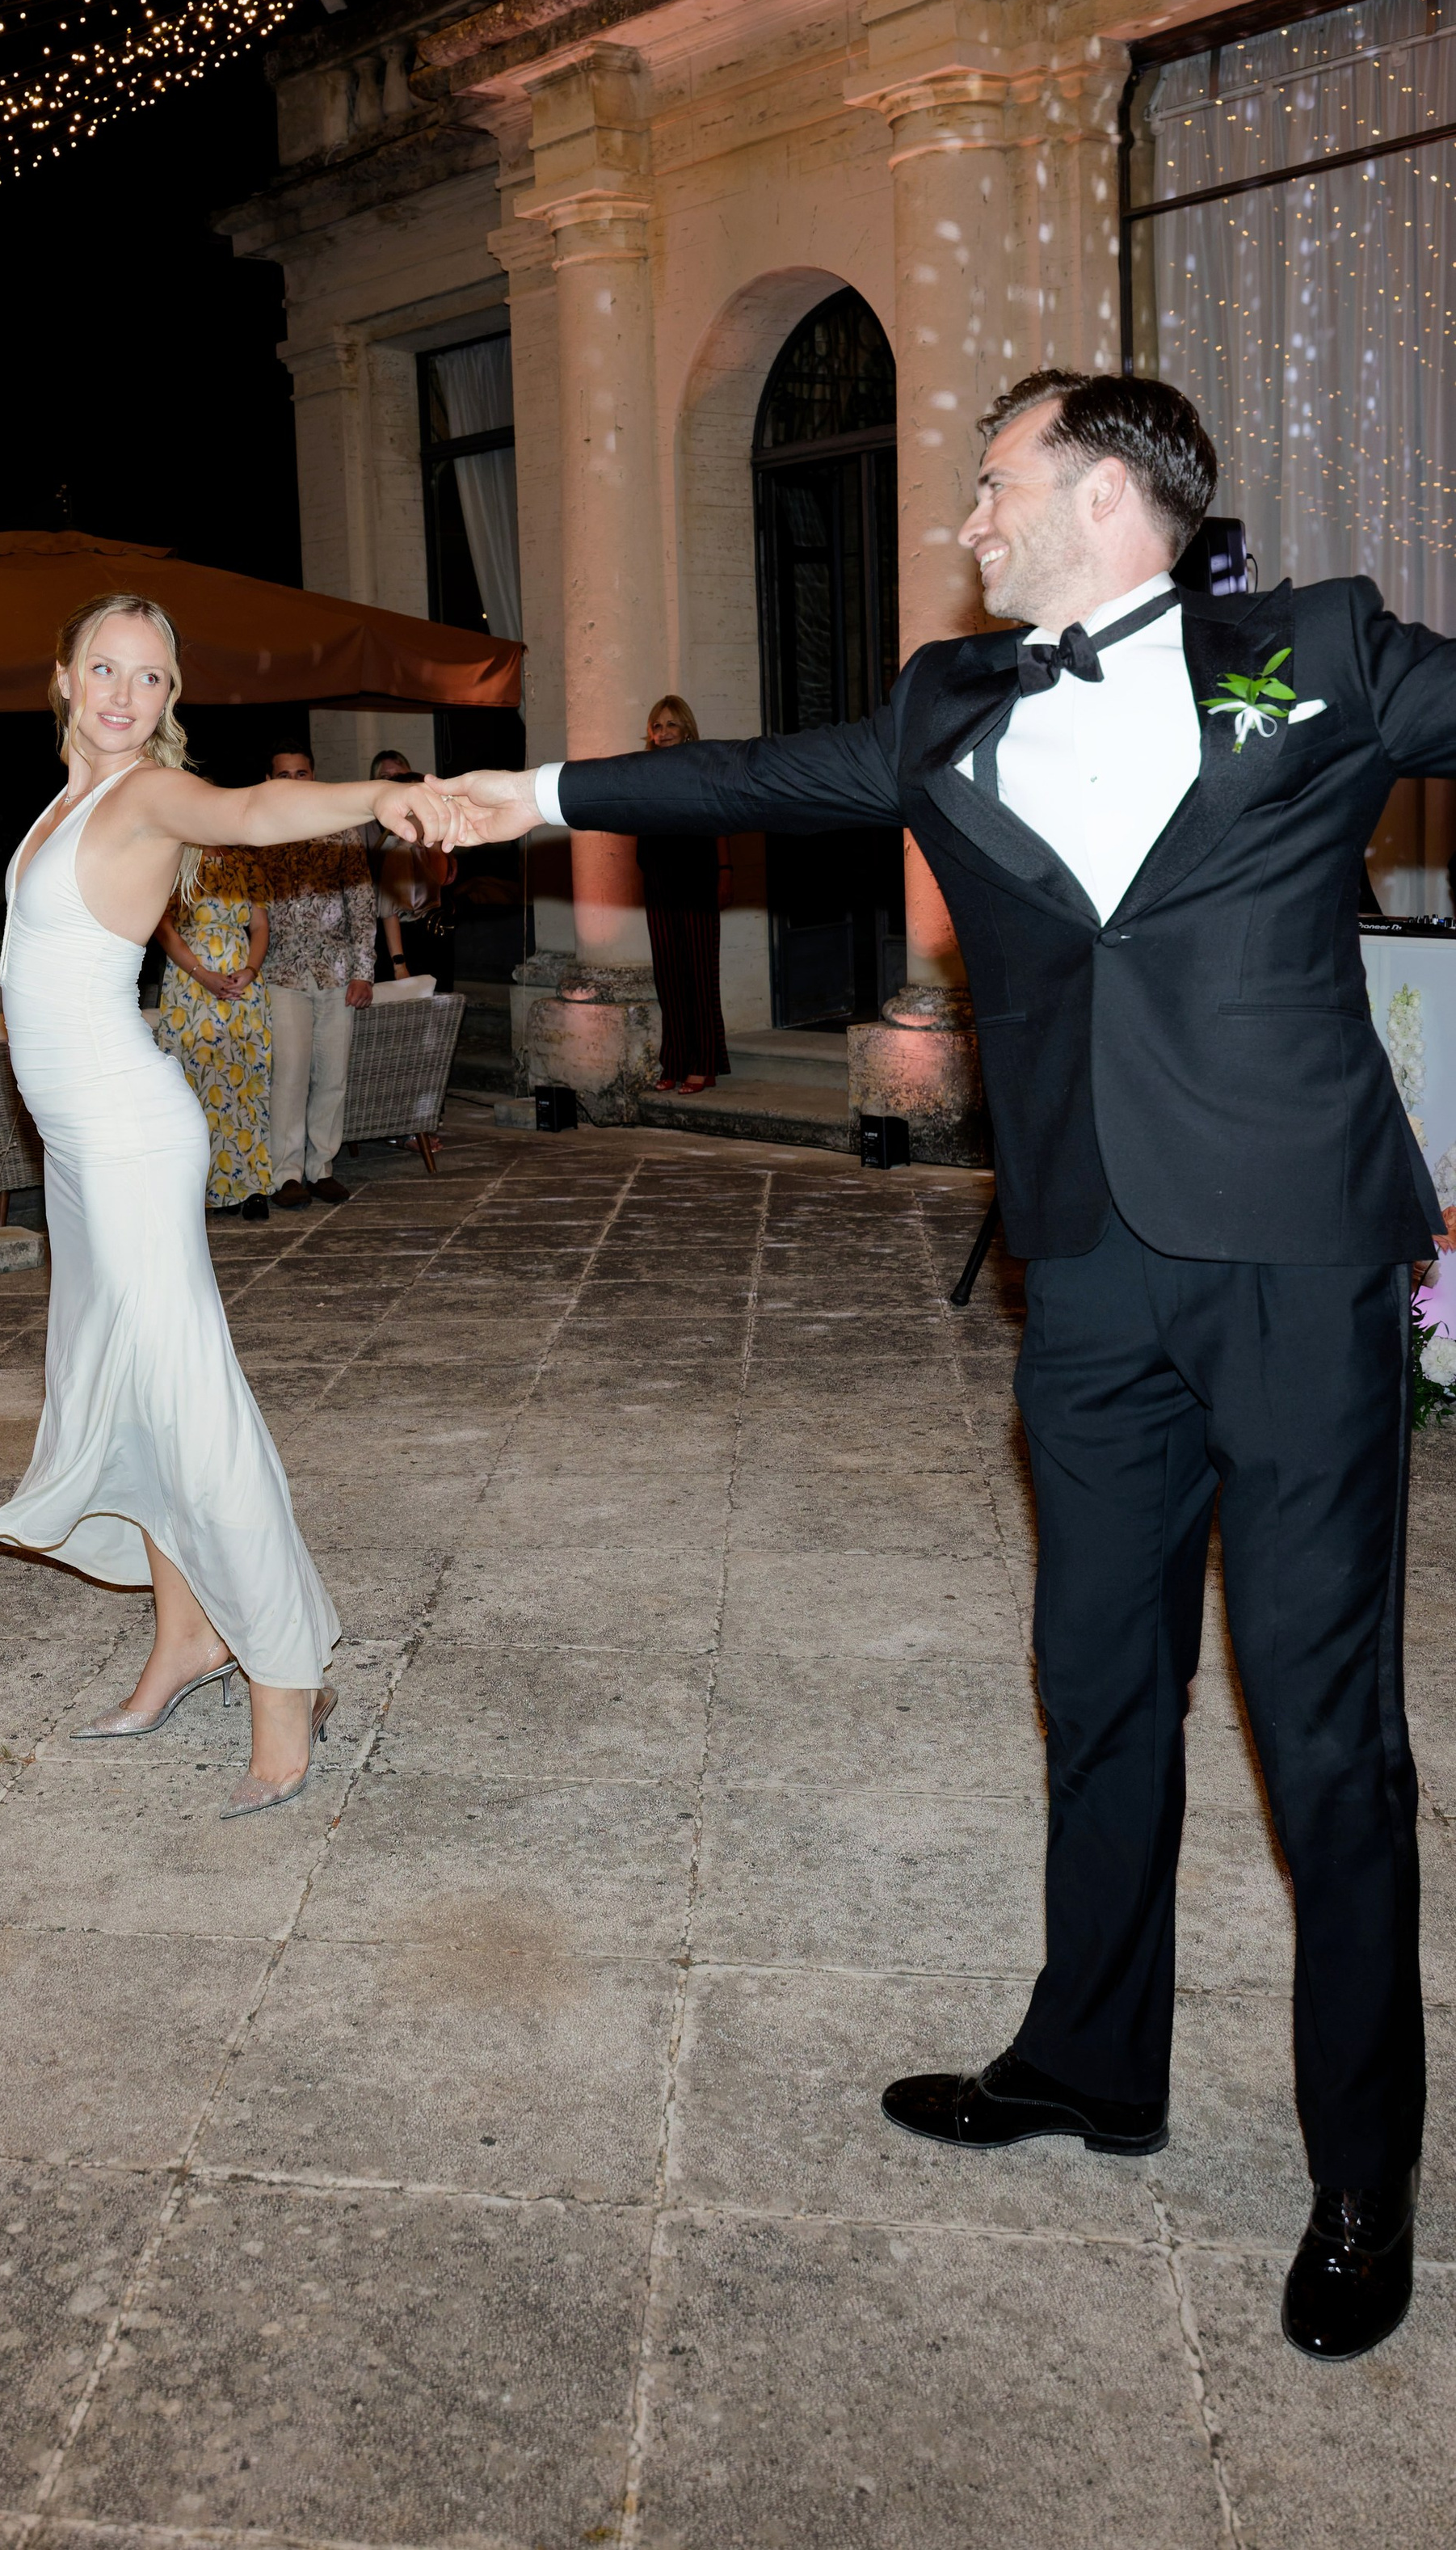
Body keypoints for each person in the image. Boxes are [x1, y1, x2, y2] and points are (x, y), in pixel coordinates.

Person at [444, 369, 1455, 2363]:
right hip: (1078, 1270)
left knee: (1320, 1727)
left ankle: (1363, 2167)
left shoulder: (1315, 651)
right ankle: (1088, 2059)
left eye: (991, 484)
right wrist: (537, 793)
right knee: (1096, 1681)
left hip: (1287, 1262)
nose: (965, 520)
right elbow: (750, 774)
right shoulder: (944, 707)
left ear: (1100, 491)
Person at [0, 593, 457, 1816]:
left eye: (151, 677)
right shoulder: (66, 803)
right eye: (107, 668)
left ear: (171, 700)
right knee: (129, 1394)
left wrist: (373, 796)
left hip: (132, 1140)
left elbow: (249, 811)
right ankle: (185, 1638)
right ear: (65, 678)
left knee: (193, 1406)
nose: (126, 694)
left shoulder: (144, 794)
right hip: (79, 1152)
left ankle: (286, 1678)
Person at [260, 744, 378, 1209]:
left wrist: (364, 972)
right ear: (270, 780)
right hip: (280, 974)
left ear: (314, 775)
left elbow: (364, 906)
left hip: (336, 974)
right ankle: (286, 1174)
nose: (294, 781)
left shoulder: (341, 827)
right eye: (284, 774)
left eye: (302, 773)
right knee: (288, 1075)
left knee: (332, 1076)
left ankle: (321, 1167)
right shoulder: (257, 831)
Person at [155, 851, 276, 1223]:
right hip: (191, 988)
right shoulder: (175, 861)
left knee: (248, 1085)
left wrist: (251, 970)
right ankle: (198, 1191)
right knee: (196, 1085)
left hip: (242, 991)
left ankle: (253, 1187)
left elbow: (259, 926)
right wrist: (203, 974)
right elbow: (163, 926)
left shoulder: (244, 864)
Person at [638, 695, 730, 1092]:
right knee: (669, 976)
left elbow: (722, 822)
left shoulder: (703, 768)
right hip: (658, 878)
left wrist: (726, 872)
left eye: (671, 725)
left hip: (697, 877)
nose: (663, 733)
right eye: (657, 726)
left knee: (699, 975)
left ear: (687, 729)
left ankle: (704, 1064)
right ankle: (673, 1062)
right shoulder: (642, 769)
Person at [367, 747, 457, 988]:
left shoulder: (429, 840)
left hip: (435, 936)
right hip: (408, 943)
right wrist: (399, 964)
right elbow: (388, 912)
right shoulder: (399, 847)